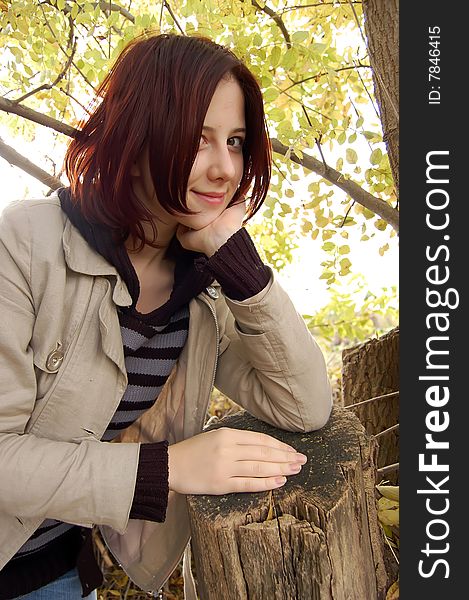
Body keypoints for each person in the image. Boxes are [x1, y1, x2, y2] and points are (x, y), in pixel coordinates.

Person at [0, 33, 332, 599]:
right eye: (199, 139)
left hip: (54, 569)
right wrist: (169, 468)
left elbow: (304, 406)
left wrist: (240, 263)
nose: (226, 168)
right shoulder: (25, 243)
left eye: (236, 141)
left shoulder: (198, 293)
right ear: (137, 133)